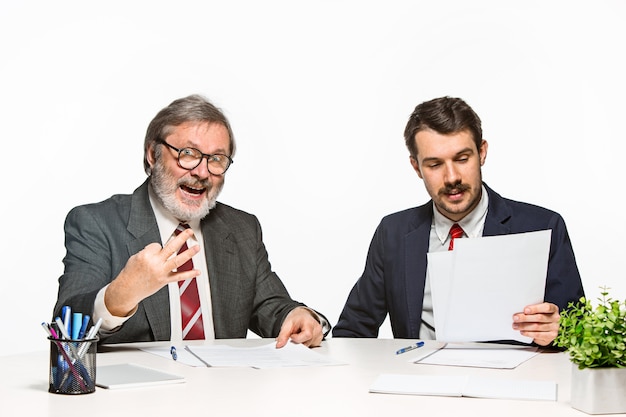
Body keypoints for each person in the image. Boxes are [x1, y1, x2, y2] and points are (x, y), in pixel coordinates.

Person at [53, 94, 329, 348]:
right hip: (136, 398)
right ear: (153, 154)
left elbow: (271, 306)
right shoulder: (96, 222)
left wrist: (298, 315)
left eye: (216, 159)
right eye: (188, 154)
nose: (202, 172)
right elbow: (66, 324)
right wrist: (119, 296)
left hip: (224, 392)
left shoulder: (242, 228)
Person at [333, 96, 584, 346]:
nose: (452, 177)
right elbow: (352, 332)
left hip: (509, 382)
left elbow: (581, 331)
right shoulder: (393, 233)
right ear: (416, 167)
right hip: (418, 381)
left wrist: (561, 331)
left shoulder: (543, 227)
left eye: (462, 159)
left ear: (482, 152)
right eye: (434, 164)